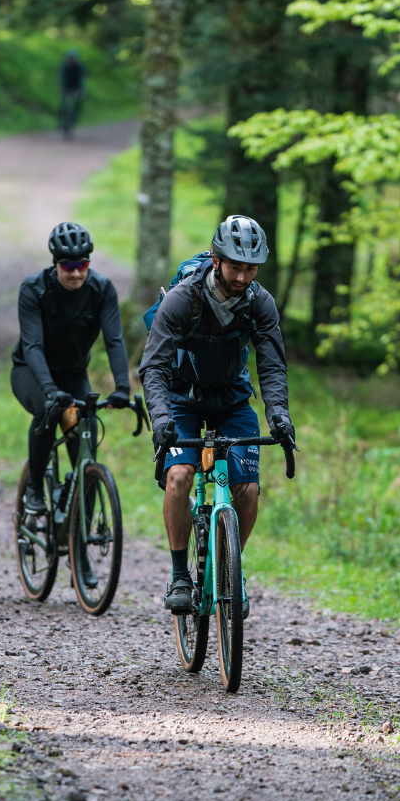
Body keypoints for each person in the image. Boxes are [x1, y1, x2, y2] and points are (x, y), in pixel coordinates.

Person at [139, 214, 296, 614]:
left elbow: (272, 365)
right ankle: (180, 575)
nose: (242, 277)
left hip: (232, 400)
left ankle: (230, 567)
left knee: (249, 489)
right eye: (235, 267)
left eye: (250, 269)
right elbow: (153, 367)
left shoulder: (259, 303)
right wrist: (161, 419)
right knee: (179, 476)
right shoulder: (182, 299)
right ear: (216, 259)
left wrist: (279, 414)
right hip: (182, 398)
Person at [11, 221, 131, 576]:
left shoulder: (102, 289)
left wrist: (123, 388)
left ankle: (80, 552)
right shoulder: (34, 289)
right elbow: (32, 346)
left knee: (86, 454)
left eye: (83, 264)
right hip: (32, 372)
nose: (76, 272)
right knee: (47, 411)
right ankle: (35, 488)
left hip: (75, 374)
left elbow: (114, 341)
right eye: (68, 265)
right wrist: (50, 391)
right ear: (56, 264)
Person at [58, 49, 85, 137]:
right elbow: (63, 78)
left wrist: (80, 89)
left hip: (76, 88)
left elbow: (80, 79)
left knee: (77, 105)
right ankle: (61, 121)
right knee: (64, 105)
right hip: (66, 88)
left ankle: (73, 121)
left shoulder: (79, 67)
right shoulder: (65, 66)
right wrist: (63, 88)